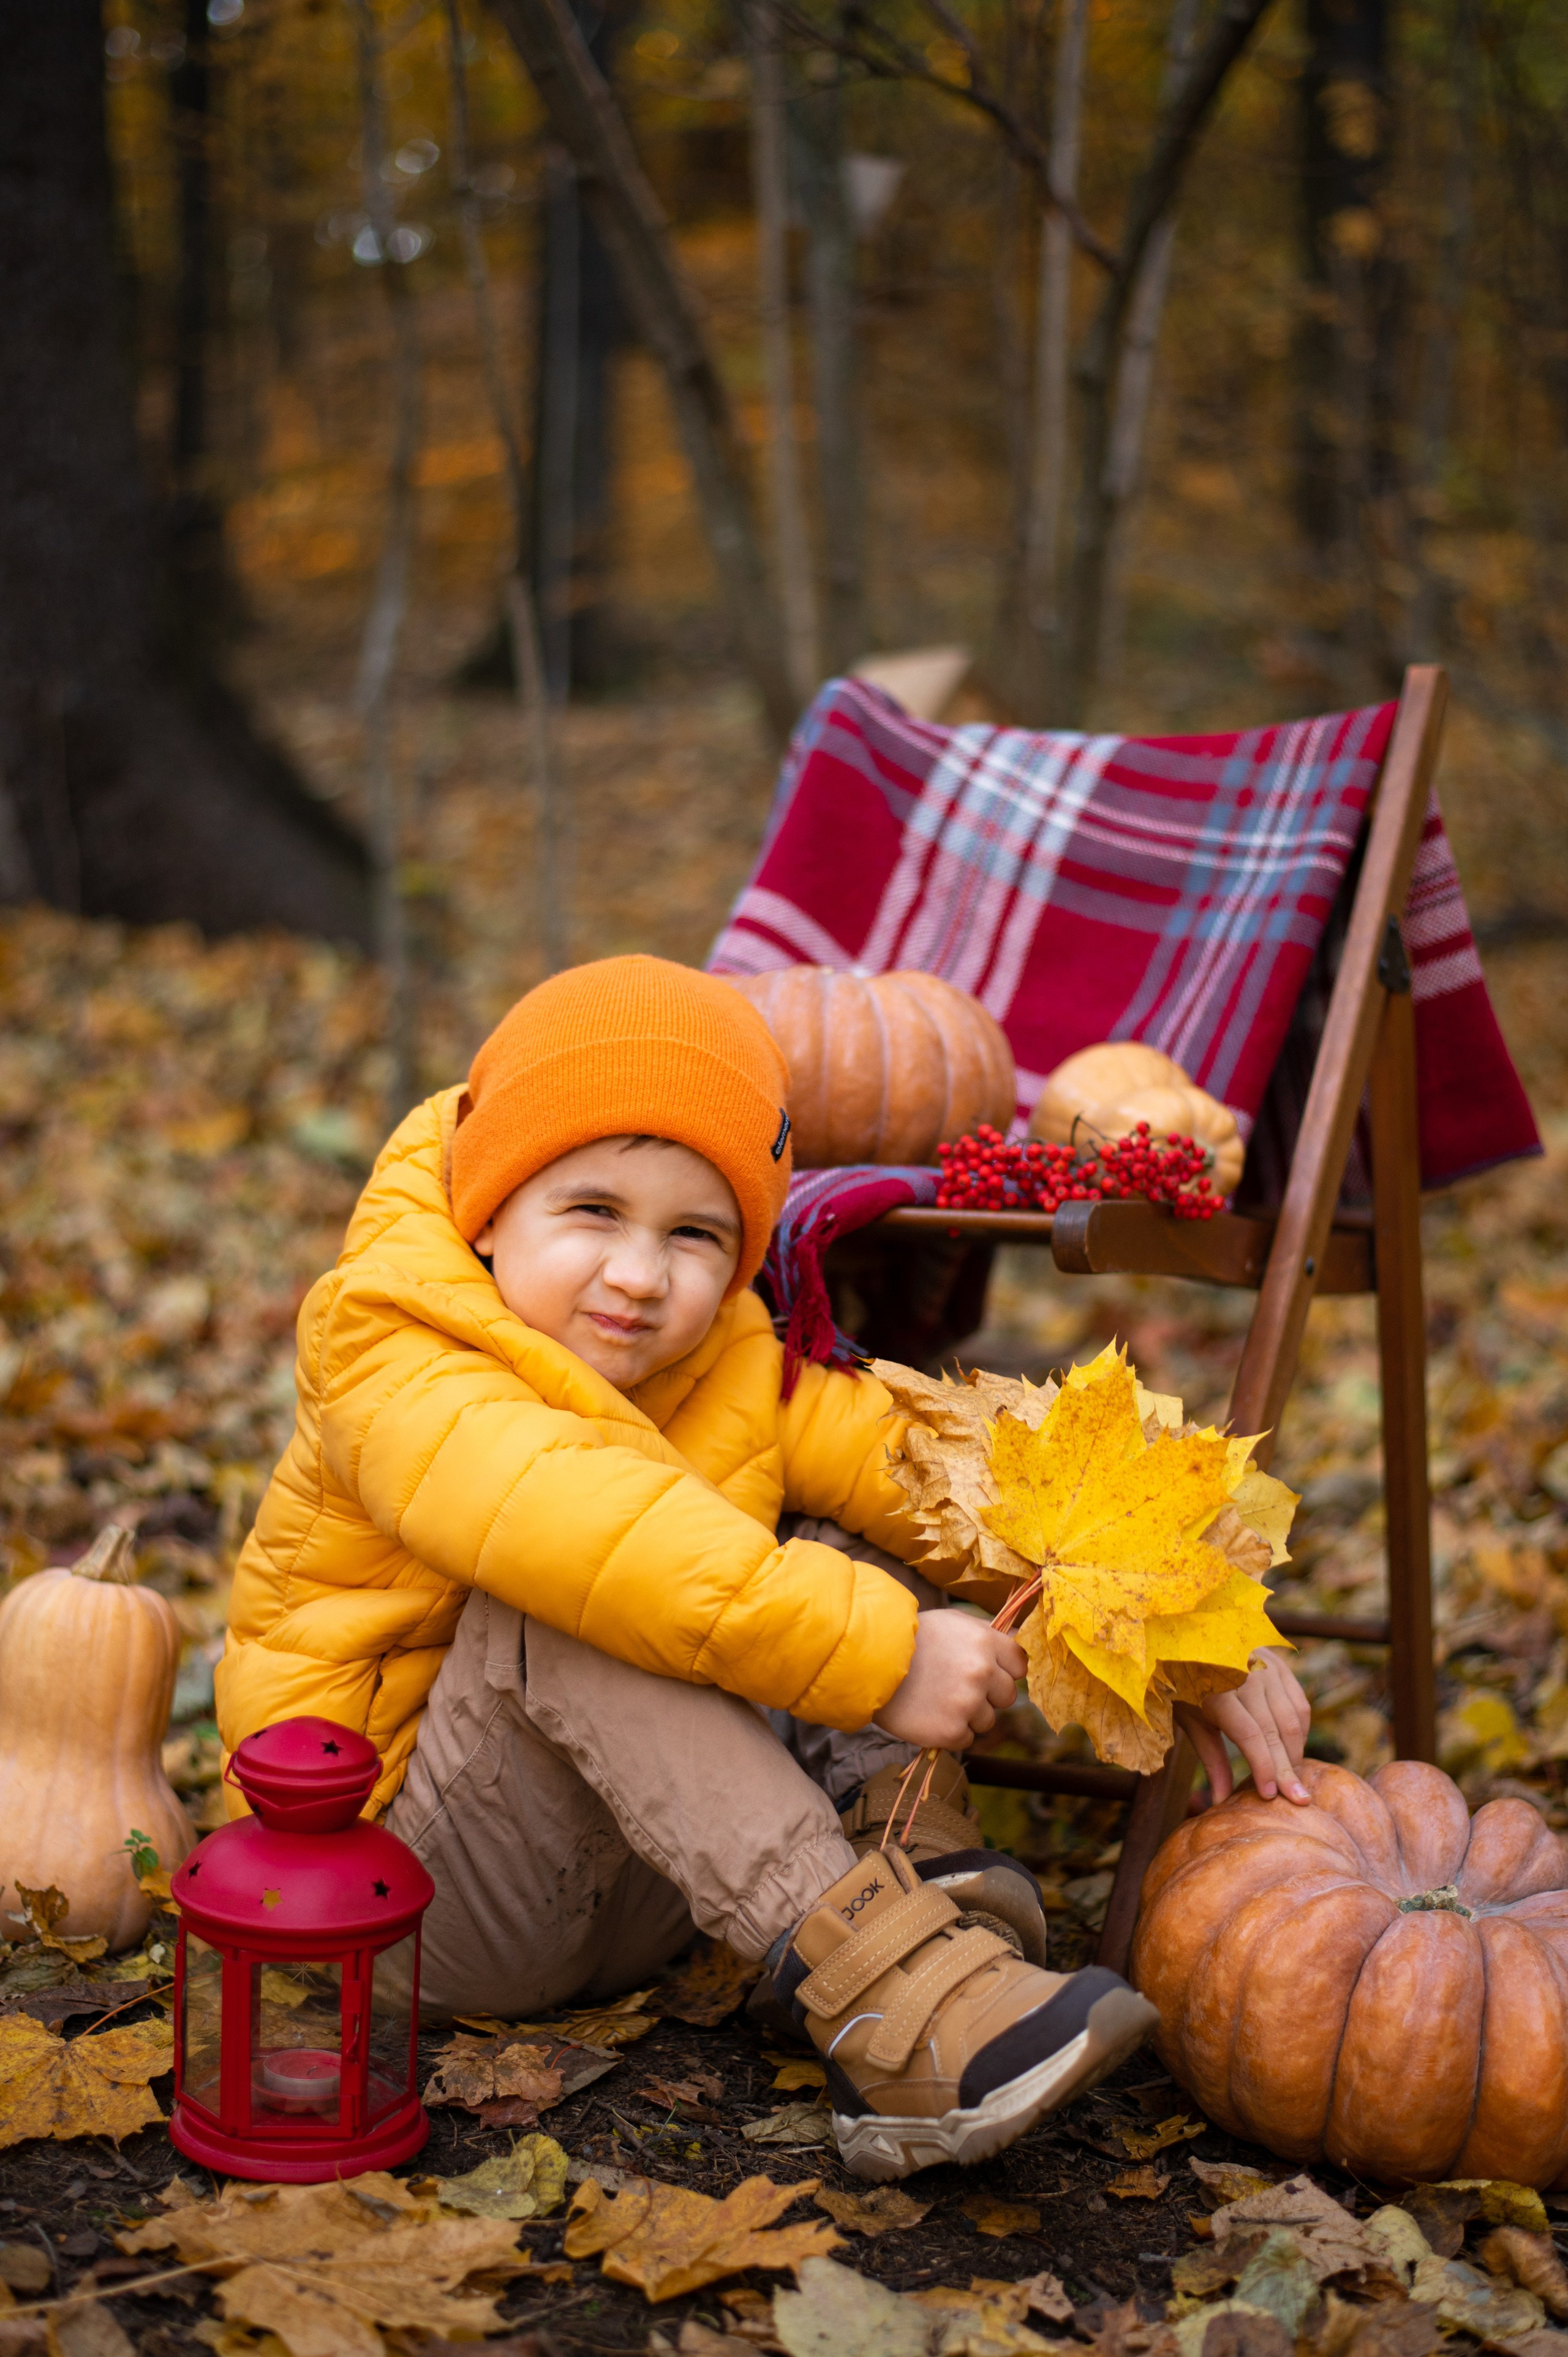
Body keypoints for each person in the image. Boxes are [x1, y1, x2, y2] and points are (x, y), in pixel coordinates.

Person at [217, 954, 1311, 2180]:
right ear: (486, 1206)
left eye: (694, 1233)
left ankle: (916, 1879)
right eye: (591, 1211)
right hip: (407, 1901)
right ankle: (893, 2004)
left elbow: (920, 1461)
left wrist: (1185, 1610)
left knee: (831, 1530)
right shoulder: (393, 1345)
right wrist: (883, 1656)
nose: (640, 1275)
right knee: (577, 1606)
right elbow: (589, 1528)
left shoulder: (723, 1348)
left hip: (638, 1885)